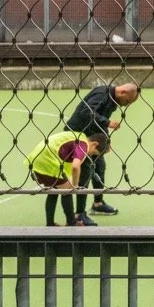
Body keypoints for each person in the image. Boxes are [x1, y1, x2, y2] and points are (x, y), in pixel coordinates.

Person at [64, 82, 140, 223]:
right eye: (128, 101)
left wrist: (106, 141)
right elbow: (85, 112)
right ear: (123, 92)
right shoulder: (102, 94)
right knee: (85, 171)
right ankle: (79, 214)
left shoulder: (112, 100)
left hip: (92, 137)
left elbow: (98, 122)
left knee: (100, 166)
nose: (126, 104)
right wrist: (108, 122)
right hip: (77, 135)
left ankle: (98, 204)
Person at [24, 130, 107, 227]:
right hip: (47, 161)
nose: (91, 155)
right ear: (94, 144)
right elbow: (76, 166)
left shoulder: (80, 136)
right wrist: (75, 186)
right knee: (67, 190)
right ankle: (71, 223)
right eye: (94, 153)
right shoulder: (83, 145)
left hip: (40, 159)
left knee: (53, 191)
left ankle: (50, 223)